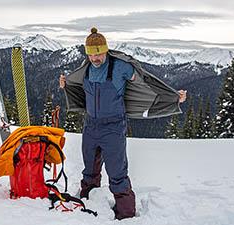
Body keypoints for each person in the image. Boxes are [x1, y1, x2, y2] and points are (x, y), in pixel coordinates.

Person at [59, 27, 186, 220]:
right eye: (91, 55)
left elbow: (146, 82)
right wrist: (65, 84)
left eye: (99, 54)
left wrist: (172, 96)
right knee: (89, 171)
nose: (95, 59)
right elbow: (74, 85)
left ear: (106, 50)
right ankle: (88, 205)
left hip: (113, 127)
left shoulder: (120, 67)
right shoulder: (85, 69)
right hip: (91, 126)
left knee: (117, 172)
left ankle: (126, 215)